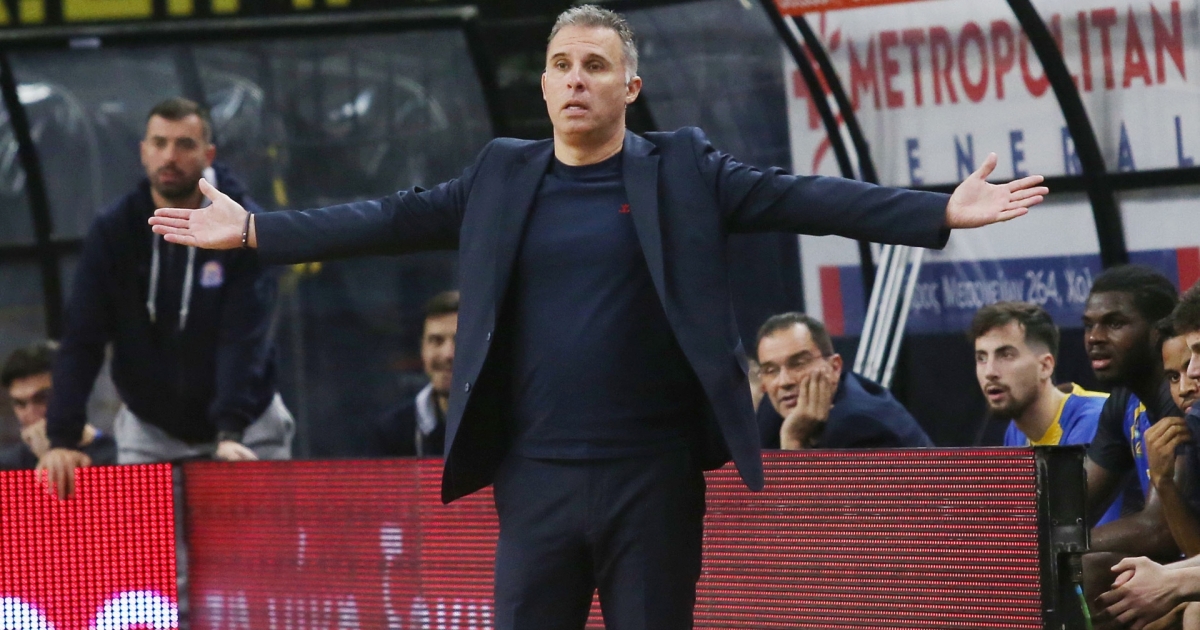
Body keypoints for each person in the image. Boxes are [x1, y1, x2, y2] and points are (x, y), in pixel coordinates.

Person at [147, 6, 1046, 627]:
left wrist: (936, 210)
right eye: (562, 66)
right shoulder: (500, 174)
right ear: (544, 85)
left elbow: (804, 197)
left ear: (630, 86)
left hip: (654, 478)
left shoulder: (685, 169)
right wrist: (256, 229)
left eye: (595, 66)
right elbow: (388, 217)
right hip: (533, 477)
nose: (576, 80)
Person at [38, 98, 294, 499]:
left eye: (184, 144)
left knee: (260, 540)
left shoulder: (244, 225)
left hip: (247, 426)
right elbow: (82, 337)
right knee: (148, 541)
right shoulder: (115, 231)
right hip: (150, 430)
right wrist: (62, 437)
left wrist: (230, 429)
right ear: (143, 151)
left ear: (208, 154)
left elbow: (244, 338)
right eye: (159, 143)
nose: (169, 156)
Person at [1082, 265, 1184, 614]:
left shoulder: (1184, 398)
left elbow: (1159, 531)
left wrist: (1049, 543)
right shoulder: (1123, 402)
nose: (1094, 337)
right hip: (1180, 565)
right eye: (1089, 325)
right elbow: (1071, 508)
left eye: (1114, 324)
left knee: (1092, 571)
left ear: (1158, 332)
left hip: (1191, 564)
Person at [970, 302, 1118, 524]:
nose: (990, 372)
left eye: (1006, 355)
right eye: (982, 358)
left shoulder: (1096, 420)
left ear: (1045, 366)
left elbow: (1086, 532)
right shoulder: (1016, 431)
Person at [755, 312, 932, 450]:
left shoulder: (860, 425)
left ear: (834, 367)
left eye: (799, 363)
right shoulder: (774, 411)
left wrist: (793, 440)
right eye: (771, 371)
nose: (784, 381)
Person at [364, 290, 458, 457]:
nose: (448, 354)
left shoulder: (507, 422)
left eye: (460, 341)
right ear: (422, 349)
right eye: (436, 341)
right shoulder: (391, 432)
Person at [1, 341, 115, 470]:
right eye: (20, 404)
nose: (31, 413)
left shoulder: (113, 456)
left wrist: (52, 456)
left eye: (42, 398)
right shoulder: (7, 464)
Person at [1146, 319, 1200, 557]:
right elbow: (1196, 556)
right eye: (1173, 377)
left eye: (1192, 367)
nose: (1184, 389)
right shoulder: (1190, 438)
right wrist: (1163, 481)